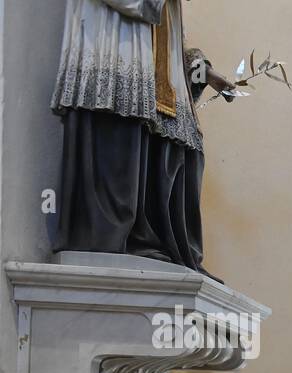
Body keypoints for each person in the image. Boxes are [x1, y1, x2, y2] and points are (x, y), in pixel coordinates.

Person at [51, 0, 233, 275]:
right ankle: (125, 236)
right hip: (116, 43)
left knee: (186, 151)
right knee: (122, 132)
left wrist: (201, 71)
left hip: (160, 74)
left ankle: (162, 242)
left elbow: (169, 38)